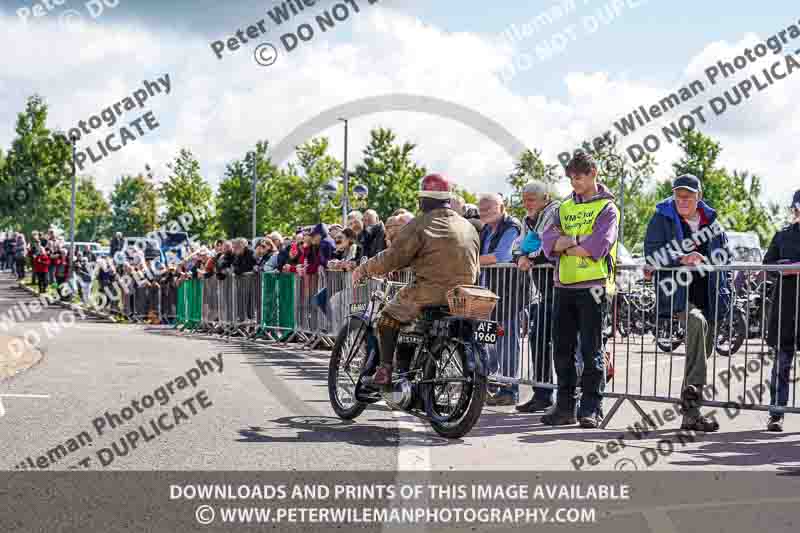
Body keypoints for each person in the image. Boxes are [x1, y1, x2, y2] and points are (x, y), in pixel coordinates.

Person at [351, 174, 480, 388]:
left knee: (387, 318)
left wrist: (363, 269)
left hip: (430, 292)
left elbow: (394, 257)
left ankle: (384, 371)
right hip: (464, 294)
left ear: (423, 199)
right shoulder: (467, 226)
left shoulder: (420, 224)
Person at [644, 173, 731, 432]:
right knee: (696, 323)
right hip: (678, 293)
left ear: (698, 197)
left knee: (700, 351)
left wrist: (708, 260)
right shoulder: (661, 217)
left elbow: (726, 255)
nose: (682, 200)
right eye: (678, 195)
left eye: (688, 196)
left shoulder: (712, 220)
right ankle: (693, 397)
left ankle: (691, 414)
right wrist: (682, 257)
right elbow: (651, 252)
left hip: (711, 293)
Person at [542, 150, 618, 428]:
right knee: (561, 349)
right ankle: (564, 408)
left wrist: (566, 244)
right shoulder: (563, 207)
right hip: (563, 285)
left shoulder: (607, 208)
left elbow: (598, 247)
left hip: (594, 287)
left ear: (593, 173)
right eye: (571, 177)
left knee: (591, 350)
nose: (575, 182)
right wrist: (576, 241)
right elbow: (547, 243)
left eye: (580, 177)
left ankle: (591, 408)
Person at [514, 180, 562, 413]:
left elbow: (546, 243)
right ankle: (542, 394)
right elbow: (518, 245)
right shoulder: (526, 219)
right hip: (544, 292)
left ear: (545, 198)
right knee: (538, 338)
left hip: (563, 288)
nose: (527, 204)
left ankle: (569, 398)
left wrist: (528, 256)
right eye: (524, 199)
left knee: (566, 344)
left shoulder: (555, 211)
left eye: (531, 199)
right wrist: (522, 255)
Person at [477, 192, 523, 406]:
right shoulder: (486, 229)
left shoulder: (511, 226)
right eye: (481, 208)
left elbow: (501, 256)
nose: (484, 211)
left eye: (489, 207)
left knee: (507, 344)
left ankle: (510, 389)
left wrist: (471, 261)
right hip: (489, 295)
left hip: (509, 296)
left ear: (502, 207)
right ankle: (494, 385)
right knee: (488, 341)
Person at [762, 189, 800, 432]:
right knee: (782, 364)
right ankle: (777, 414)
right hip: (786, 309)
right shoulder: (783, 236)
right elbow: (767, 264)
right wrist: (781, 267)